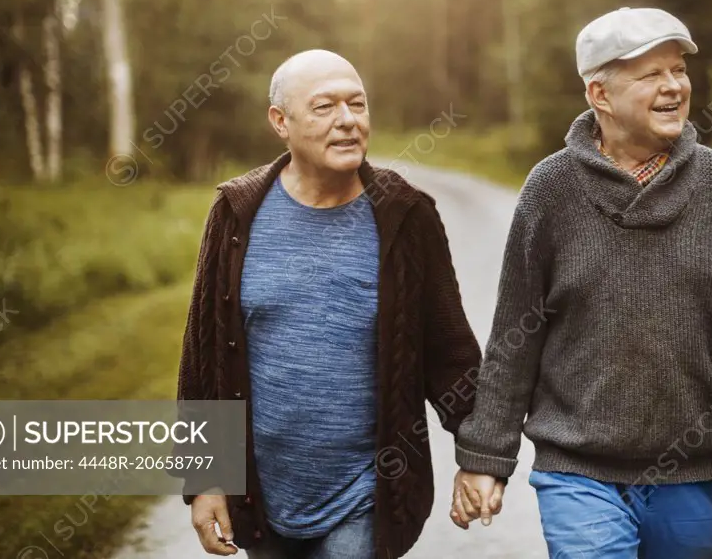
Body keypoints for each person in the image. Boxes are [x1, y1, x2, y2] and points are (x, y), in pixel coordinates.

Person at [450, 8, 712, 558]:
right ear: (600, 94)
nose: (673, 87)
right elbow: (514, 338)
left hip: (695, 472)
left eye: (678, 71)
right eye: (650, 75)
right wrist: (485, 456)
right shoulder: (551, 191)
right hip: (578, 470)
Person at [175, 49, 482, 558]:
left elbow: (450, 352)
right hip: (264, 497)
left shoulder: (406, 216)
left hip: (366, 495)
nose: (347, 121)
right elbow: (203, 356)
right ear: (281, 121)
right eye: (324, 107)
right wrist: (205, 479)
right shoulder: (236, 212)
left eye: (357, 105)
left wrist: (478, 455)